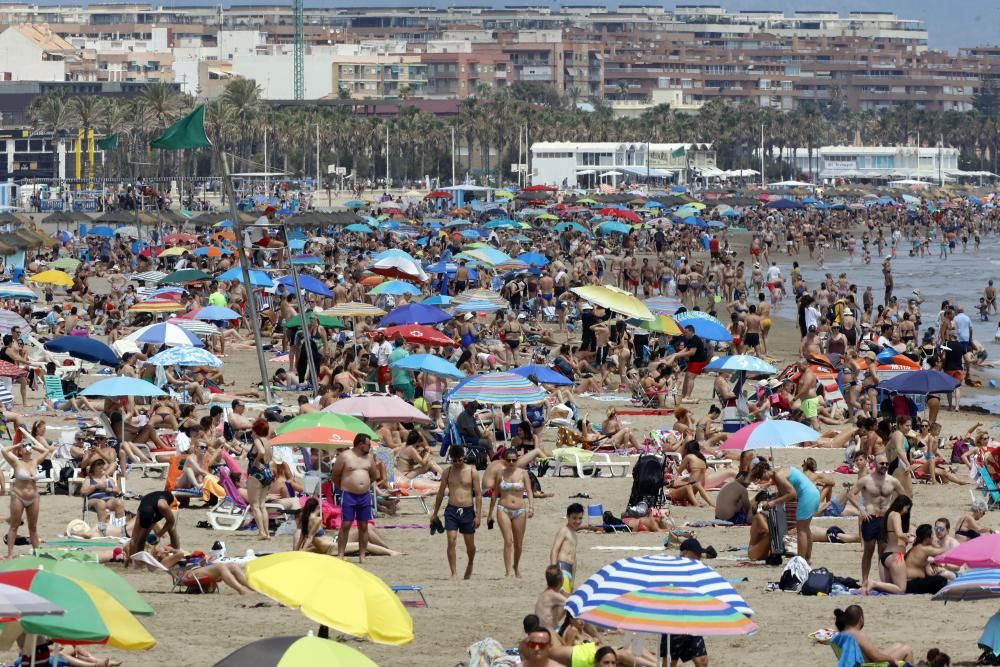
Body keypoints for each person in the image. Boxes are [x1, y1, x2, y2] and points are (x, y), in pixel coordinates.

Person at [748, 460, 820, 561]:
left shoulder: (778, 475)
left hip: (807, 496)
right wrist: (771, 501)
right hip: (814, 493)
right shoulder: (780, 473)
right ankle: (807, 558)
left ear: (765, 471)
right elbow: (782, 495)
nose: (761, 480)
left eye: (760, 477)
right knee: (806, 529)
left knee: (801, 530)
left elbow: (792, 494)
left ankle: (801, 561)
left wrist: (773, 503)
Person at [849, 454, 904, 585]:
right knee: (868, 551)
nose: (884, 466)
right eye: (882, 464)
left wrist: (895, 512)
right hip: (870, 517)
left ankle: (882, 581)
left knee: (883, 551)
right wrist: (861, 509)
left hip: (885, 519)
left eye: (886, 464)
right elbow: (851, 494)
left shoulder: (893, 481)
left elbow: (904, 497)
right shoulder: (866, 480)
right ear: (875, 464)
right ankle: (865, 580)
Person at [429, 445, 483, 579]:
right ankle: (453, 572)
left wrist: (478, 515)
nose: (457, 463)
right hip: (452, 510)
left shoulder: (472, 471)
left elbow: (478, 494)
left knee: (469, 544)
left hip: (468, 510)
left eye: (459, 460)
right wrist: (435, 513)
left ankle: (470, 563)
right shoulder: (447, 472)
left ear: (463, 457)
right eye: (454, 460)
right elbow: (441, 493)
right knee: (451, 540)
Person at [662, 538, 711, 667]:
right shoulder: (672, 571)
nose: (700, 557)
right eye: (697, 554)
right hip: (673, 622)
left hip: (692, 621)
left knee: (702, 661)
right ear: (685, 553)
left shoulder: (697, 571)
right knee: (670, 662)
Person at [3, 436, 55, 558]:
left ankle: (36, 552)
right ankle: (10, 554)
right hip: (18, 496)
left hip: (34, 497)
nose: (27, 449)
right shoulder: (16, 461)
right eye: (24, 448)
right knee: (14, 526)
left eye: (28, 447)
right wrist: (17, 445)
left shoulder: (35, 461)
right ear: (20, 451)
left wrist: (32, 445)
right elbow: (4, 451)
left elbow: (46, 451)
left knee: (33, 527)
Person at [488, 447, 534, 578]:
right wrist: (490, 513)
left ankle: (516, 566)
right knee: (508, 541)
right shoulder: (500, 474)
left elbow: (529, 491)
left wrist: (531, 507)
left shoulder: (523, 473)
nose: (512, 462)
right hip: (503, 508)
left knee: (518, 544)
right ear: (504, 460)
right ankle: (508, 571)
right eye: (509, 460)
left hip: (520, 509)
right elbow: (495, 493)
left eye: (514, 460)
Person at [331, 433, 377, 562]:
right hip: (349, 494)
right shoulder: (345, 456)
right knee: (346, 524)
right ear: (360, 444)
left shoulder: (369, 458)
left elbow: (373, 475)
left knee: (364, 525)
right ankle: (341, 554)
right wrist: (346, 486)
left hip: (364, 495)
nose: (370, 447)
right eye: (368, 444)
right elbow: (335, 476)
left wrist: (363, 484)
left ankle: (362, 555)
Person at [863, 495, 912, 595]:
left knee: (889, 588)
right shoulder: (896, 515)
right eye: (907, 508)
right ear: (902, 505)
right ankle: (873, 583)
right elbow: (899, 534)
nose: (907, 511)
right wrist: (909, 536)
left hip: (885, 556)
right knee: (901, 589)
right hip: (896, 556)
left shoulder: (889, 514)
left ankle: (874, 584)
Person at [833, 605, 912, 665]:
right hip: (872, 665)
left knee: (897, 645)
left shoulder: (841, 634)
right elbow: (876, 657)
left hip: (864, 663)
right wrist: (891, 659)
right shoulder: (858, 635)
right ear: (861, 619)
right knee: (907, 649)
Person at [125, 491, 178, 563]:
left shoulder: (163, 506)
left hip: (170, 502)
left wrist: (159, 535)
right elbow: (134, 539)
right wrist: (131, 559)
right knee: (141, 538)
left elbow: (171, 522)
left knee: (172, 528)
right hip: (148, 505)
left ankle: (176, 553)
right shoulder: (140, 513)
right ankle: (141, 560)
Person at [245, 417, 273, 540]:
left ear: (256, 430)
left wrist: (256, 462)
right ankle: (267, 532)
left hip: (256, 474)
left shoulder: (257, 440)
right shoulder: (267, 441)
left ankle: (262, 532)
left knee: (254, 505)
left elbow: (260, 452)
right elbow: (268, 456)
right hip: (267, 473)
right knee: (262, 504)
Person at [81, 459, 124, 532]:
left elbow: (118, 491)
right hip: (94, 501)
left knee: (119, 502)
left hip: (109, 500)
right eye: (98, 465)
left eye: (102, 465)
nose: (101, 466)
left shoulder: (108, 478)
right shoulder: (89, 479)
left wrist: (109, 489)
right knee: (101, 503)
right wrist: (96, 486)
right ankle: (103, 529)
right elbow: (83, 492)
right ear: (93, 468)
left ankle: (119, 529)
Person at [549, 503, 583, 593]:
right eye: (574, 518)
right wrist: (553, 569)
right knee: (562, 598)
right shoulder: (564, 530)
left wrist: (573, 580)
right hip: (561, 567)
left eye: (580, 518)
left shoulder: (574, 534)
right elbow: (554, 550)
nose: (577, 521)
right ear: (568, 517)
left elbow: (574, 558)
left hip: (569, 569)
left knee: (565, 598)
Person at [535, 565, 568, 632]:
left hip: (541, 627)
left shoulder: (546, 592)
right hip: (548, 631)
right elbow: (571, 603)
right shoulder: (553, 595)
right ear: (561, 581)